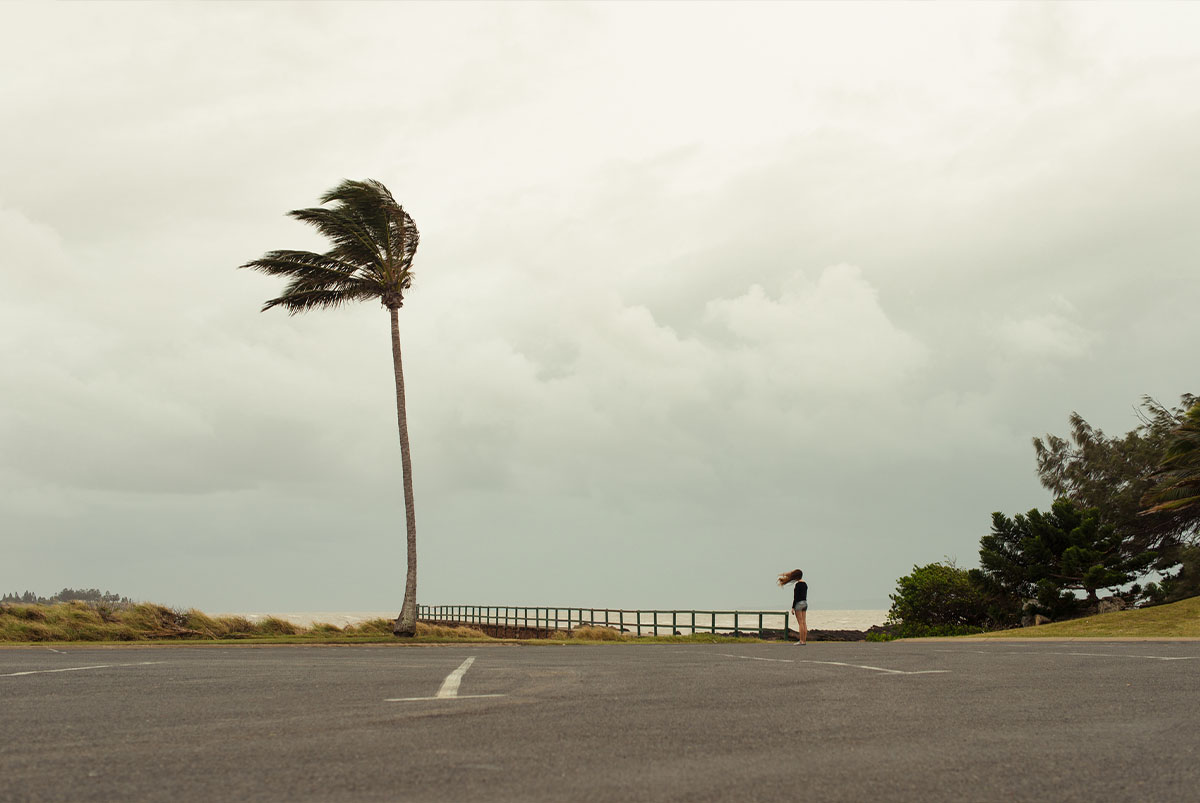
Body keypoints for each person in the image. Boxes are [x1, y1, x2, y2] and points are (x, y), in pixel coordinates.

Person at [777, 569, 807, 645]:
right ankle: (804, 640)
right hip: (805, 603)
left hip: (799, 604)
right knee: (804, 622)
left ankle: (801, 641)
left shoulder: (797, 585)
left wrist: (793, 607)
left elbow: (796, 597)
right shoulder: (805, 584)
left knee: (800, 623)